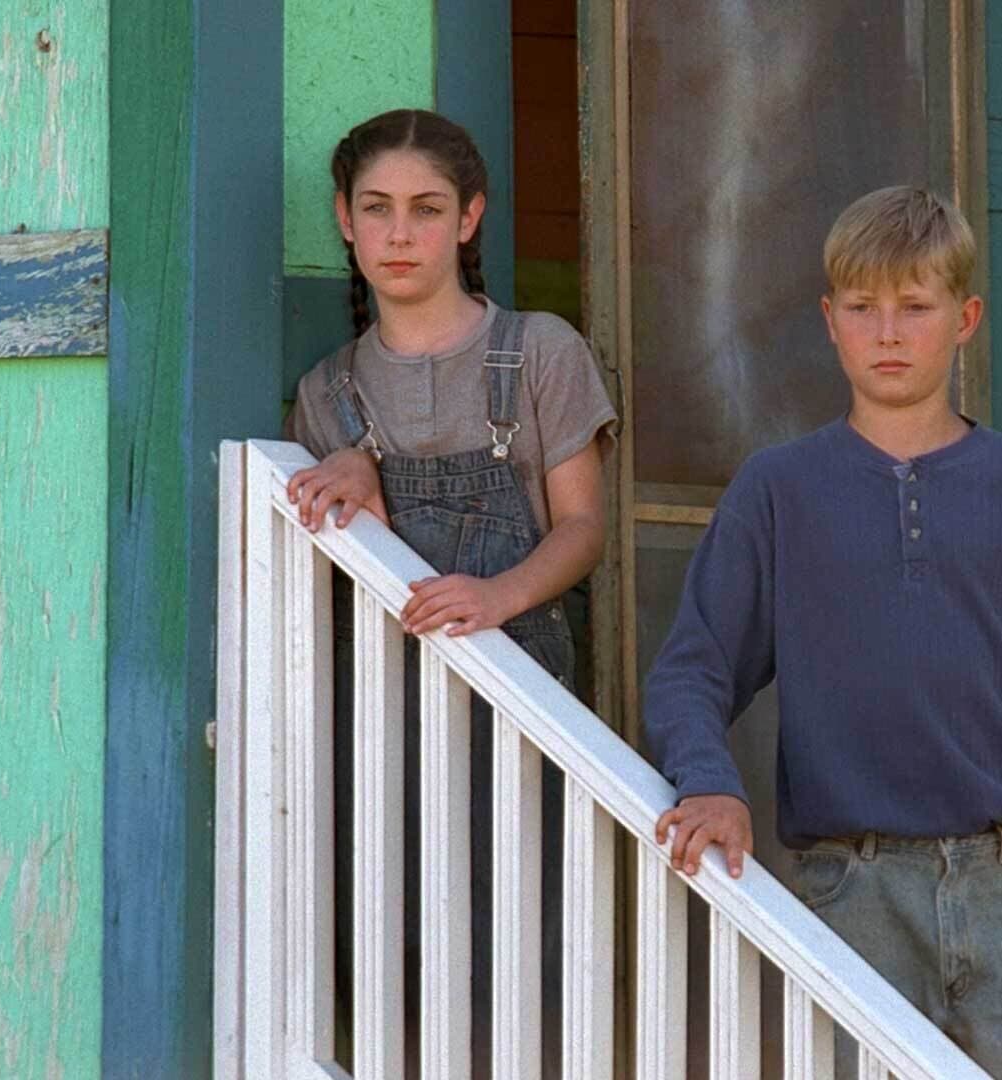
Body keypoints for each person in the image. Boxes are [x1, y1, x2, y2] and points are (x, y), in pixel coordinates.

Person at [643, 185, 1002, 1078]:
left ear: (965, 319)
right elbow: (692, 669)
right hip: (850, 893)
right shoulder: (779, 490)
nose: (889, 333)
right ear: (830, 321)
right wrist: (709, 780)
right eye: (863, 307)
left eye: (915, 306)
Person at [281, 108, 616, 1074]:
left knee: (520, 976)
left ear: (469, 218)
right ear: (344, 219)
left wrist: (498, 599)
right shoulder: (327, 394)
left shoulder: (539, 351)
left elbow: (584, 529)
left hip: (522, 712)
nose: (399, 233)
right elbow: (329, 578)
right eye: (377, 208)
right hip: (379, 727)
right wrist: (355, 479)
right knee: (388, 978)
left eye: (426, 209)